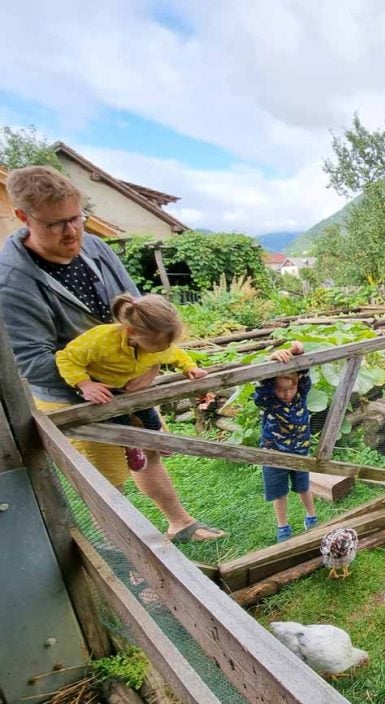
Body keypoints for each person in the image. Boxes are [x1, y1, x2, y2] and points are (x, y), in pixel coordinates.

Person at [0, 165, 225, 542]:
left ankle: (180, 524)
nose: (72, 232)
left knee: (146, 451)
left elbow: (138, 310)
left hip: (133, 382)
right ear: (24, 217)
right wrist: (107, 379)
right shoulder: (12, 283)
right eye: (57, 224)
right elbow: (33, 363)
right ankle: (126, 557)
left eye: (76, 218)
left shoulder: (95, 247)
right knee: (107, 482)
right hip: (77, 397)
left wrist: (149, 369)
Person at [55, 293, 208, 472]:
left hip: (132, 385)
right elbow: (66, 358)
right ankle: (130, 445)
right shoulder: (100, 339)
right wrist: (84, 383)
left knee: (147, 411)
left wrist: (189, 367)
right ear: (132, 332)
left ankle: (158, 436)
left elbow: (174, 354)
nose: (163, 350)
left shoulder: (160, 344)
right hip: (103, 386)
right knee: (118, 416)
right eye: (158, 346)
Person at [254, 341, 318, 542]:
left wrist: (299, 353)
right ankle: (283, 526)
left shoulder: (300, 397)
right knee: (279, 492)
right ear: (273, 388)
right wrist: (270, 360)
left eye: (291, 389)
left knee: (304, 486)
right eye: (281, 390)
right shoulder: (269, 401)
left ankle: (311, 516)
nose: (287, 394)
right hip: (274, 454)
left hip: (300, 451)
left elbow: (305, 374)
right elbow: (261, 384)